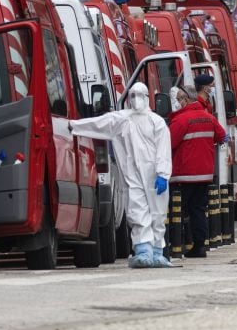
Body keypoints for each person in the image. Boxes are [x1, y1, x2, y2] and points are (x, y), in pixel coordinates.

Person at [71, 82, 173, 268]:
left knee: (157, 213)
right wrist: (74, 126)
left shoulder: (156, 122)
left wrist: (163, 173)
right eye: (132, 95)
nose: (136, 99)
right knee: (137, 209)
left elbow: (163, 150)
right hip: (132, 174)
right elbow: (99, 124)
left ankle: (158, 251)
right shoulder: (123, 119)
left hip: (153, 175)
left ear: (147, 97)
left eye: (139, 95)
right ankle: (144, 250)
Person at [169, 84, 227, 258]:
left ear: (186, 99)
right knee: (198, 210)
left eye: (179, 99)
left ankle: (176, 245)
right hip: (205, 174)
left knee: (177, 210)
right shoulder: (207, 117)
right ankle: (199, 246)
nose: (177, 103)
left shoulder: (181, 120)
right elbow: (222, 136)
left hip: (184, 174)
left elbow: (167, 144)